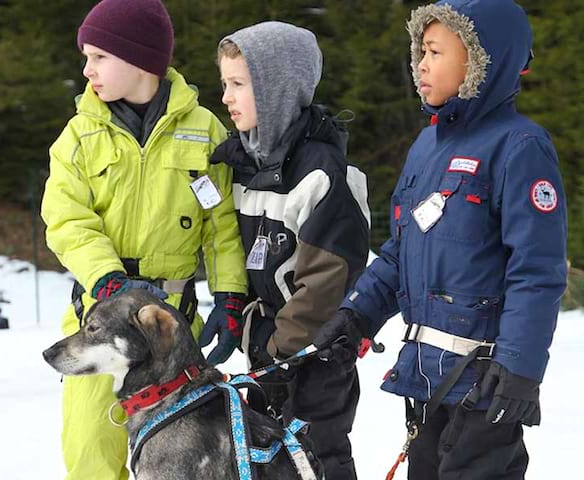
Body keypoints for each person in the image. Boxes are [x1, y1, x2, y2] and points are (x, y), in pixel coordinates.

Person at [314, 0, 568, 478]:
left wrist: (519, 368)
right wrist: (356, 315)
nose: (421, 65)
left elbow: (536, 270)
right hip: (427, 379)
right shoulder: (427, 145)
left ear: (480, 60)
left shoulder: (520, 146)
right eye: (421, 52)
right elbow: (400, 250)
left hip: (487, 380)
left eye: (435, 52)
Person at [40, 0, 248, 478]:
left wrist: (231, 297)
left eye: (99, 57)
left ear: (139, 60)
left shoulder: (203, 132)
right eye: (86, 57)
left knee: (177, 455)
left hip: (169, 332)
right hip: (100, 322)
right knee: (92, 449)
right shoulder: (79, 136)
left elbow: (222, 227)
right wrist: (107, 276)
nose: (87, 69)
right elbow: (66, 219)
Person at [207, 21, 371, 479]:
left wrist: (285, 348)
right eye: (225, 84)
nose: (226, 97)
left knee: (317, 459)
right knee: (270, 463)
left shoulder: (322, 172)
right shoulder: (242, 164)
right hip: (266, 353)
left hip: (314, 356)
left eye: (238, 84)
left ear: (276, 89)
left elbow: (328, 278)